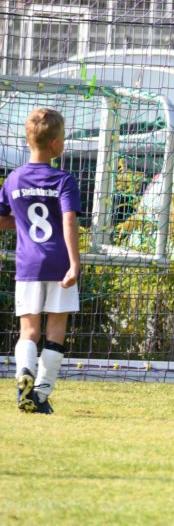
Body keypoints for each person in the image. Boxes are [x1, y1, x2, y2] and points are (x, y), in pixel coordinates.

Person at [0, 108, 81, 414]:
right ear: (57, 145)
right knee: (56, 328)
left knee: (29, 331)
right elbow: (69, 220)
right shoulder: (63, 180)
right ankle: (42, 395)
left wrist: (19, 221)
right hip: (59, 263)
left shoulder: (14, 178)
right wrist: (75, 263)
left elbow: (2, 219)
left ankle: (24, 373)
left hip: (28, 266)